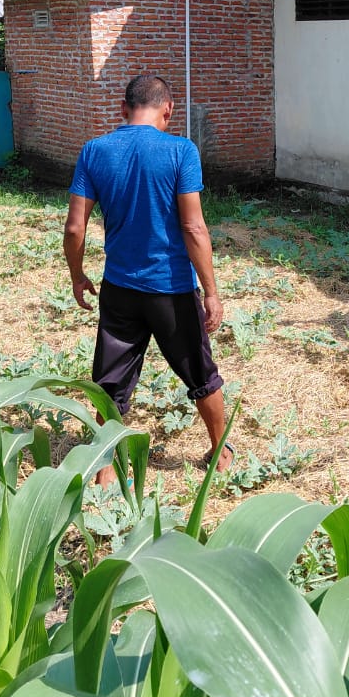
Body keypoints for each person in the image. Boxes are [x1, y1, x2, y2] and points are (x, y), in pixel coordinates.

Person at [63, 74, 231, 483]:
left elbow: (74, 228)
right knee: (201, 373)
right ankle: (220, 452)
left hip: (119, 289)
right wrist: (211, 291)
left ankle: (105, 468)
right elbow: (193, 228)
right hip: (171, 290)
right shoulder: (181, 151)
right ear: (168, 110)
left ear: (123, 109)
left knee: (110, 382)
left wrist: (77, 275)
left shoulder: (94, 151)